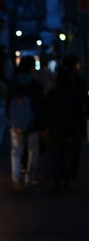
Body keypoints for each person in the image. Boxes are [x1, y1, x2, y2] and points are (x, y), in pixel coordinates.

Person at [42, 59, 87, 190]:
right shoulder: (74, 95)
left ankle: (56, 179)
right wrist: (83, 130)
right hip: (71, 129)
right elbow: (80, 114)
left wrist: (45, 127)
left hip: (55, 129)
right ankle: (66, 179)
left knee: (56, 154)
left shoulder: (52, 94)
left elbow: (46, 111)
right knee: (69, 154)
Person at [6, 56, 44, 191]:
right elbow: (40, 105)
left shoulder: (13, 83)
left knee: (16, 151)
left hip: (16, 122)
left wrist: (11, 119)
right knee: (33, 151)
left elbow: (8, 103)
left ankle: (16, 177)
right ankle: (30, 178)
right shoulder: (35, 84)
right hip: (33, 122)